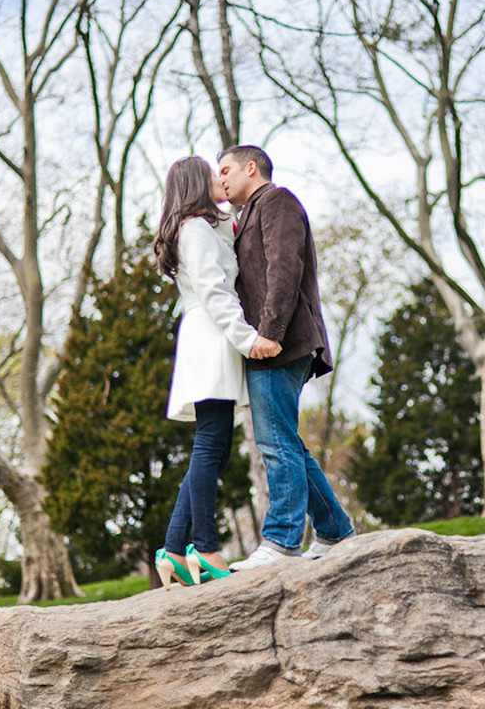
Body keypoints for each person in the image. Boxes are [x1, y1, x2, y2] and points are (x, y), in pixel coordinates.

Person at [217, 144, 356, 570]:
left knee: (275, 442)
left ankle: (281, 542)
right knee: (286, 441)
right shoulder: (246, 217)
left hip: (279, 343)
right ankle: (334, 531)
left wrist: (270, 333)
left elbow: (284, 266)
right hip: (268, 343)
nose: (220, 179)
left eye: (225, 170)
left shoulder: (276, 201)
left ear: (251, 168)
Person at [151, 156, 281, 589]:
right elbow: (214, 290)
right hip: (212, 335)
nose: (221, 180)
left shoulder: (203, 228)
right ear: (195, 185)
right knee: (211, 445)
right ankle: (204, 546)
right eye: (213, 175)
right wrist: (248, 340)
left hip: (208, 335)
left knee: (213, 444)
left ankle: (173, 547)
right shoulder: (195, 230)